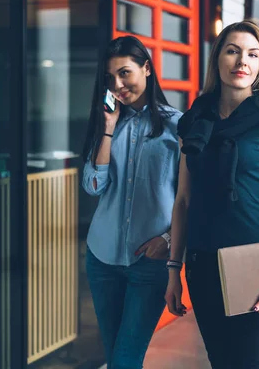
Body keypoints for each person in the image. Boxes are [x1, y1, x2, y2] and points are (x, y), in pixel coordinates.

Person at [164, 20, 259, 369]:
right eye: (232, 51)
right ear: (217, 59)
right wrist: (174, 270)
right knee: (220, 362)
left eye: (252, 54)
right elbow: (183, 200)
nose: (241, 61)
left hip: (253, 259)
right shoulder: (195, 120)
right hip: (201, 261)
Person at [81, 35, 183, 368]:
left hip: (149, 264)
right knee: (115, 356)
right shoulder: (106, 125)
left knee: (125, 358)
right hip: (102, 257)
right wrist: (108, 129)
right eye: (110, 78)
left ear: (147, 69)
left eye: (125, 73)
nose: (118, 85)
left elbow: (191, 199)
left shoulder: (178, 127)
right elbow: (93, 185)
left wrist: (168, 241)